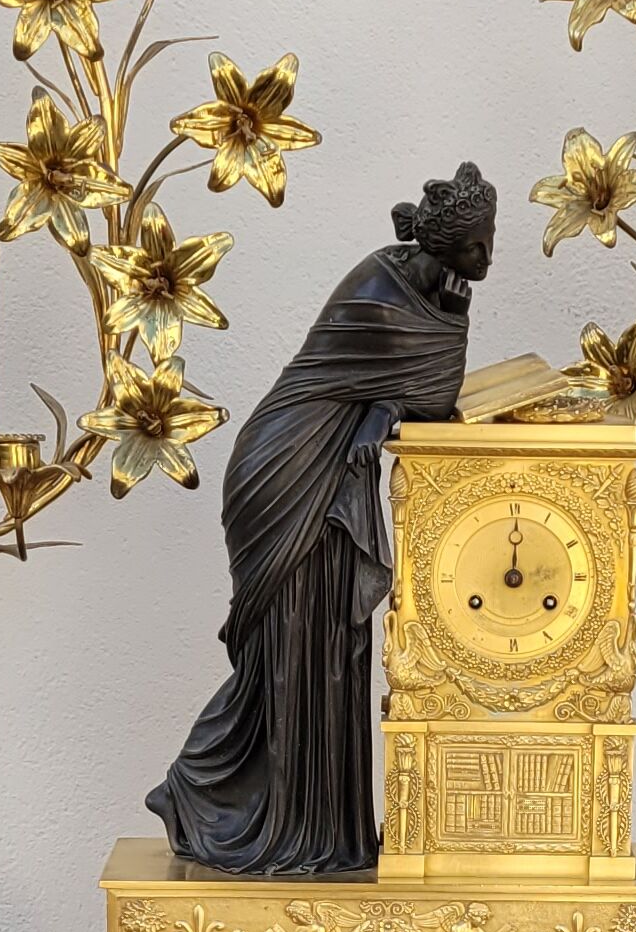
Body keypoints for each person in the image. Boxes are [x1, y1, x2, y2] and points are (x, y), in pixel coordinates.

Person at [147, 163, 496, 873]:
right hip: (289, 467)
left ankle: (325, 833)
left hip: (337, 474)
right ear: (443, 245)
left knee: (334, 648)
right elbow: (430, 388)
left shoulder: (436, 290)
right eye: (477, 248)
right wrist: (390, 401)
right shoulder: (380, 284)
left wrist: (385, 405)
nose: (487, 262)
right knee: (283, 651)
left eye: (490, 245)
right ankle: (196, 786)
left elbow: (417, 393)